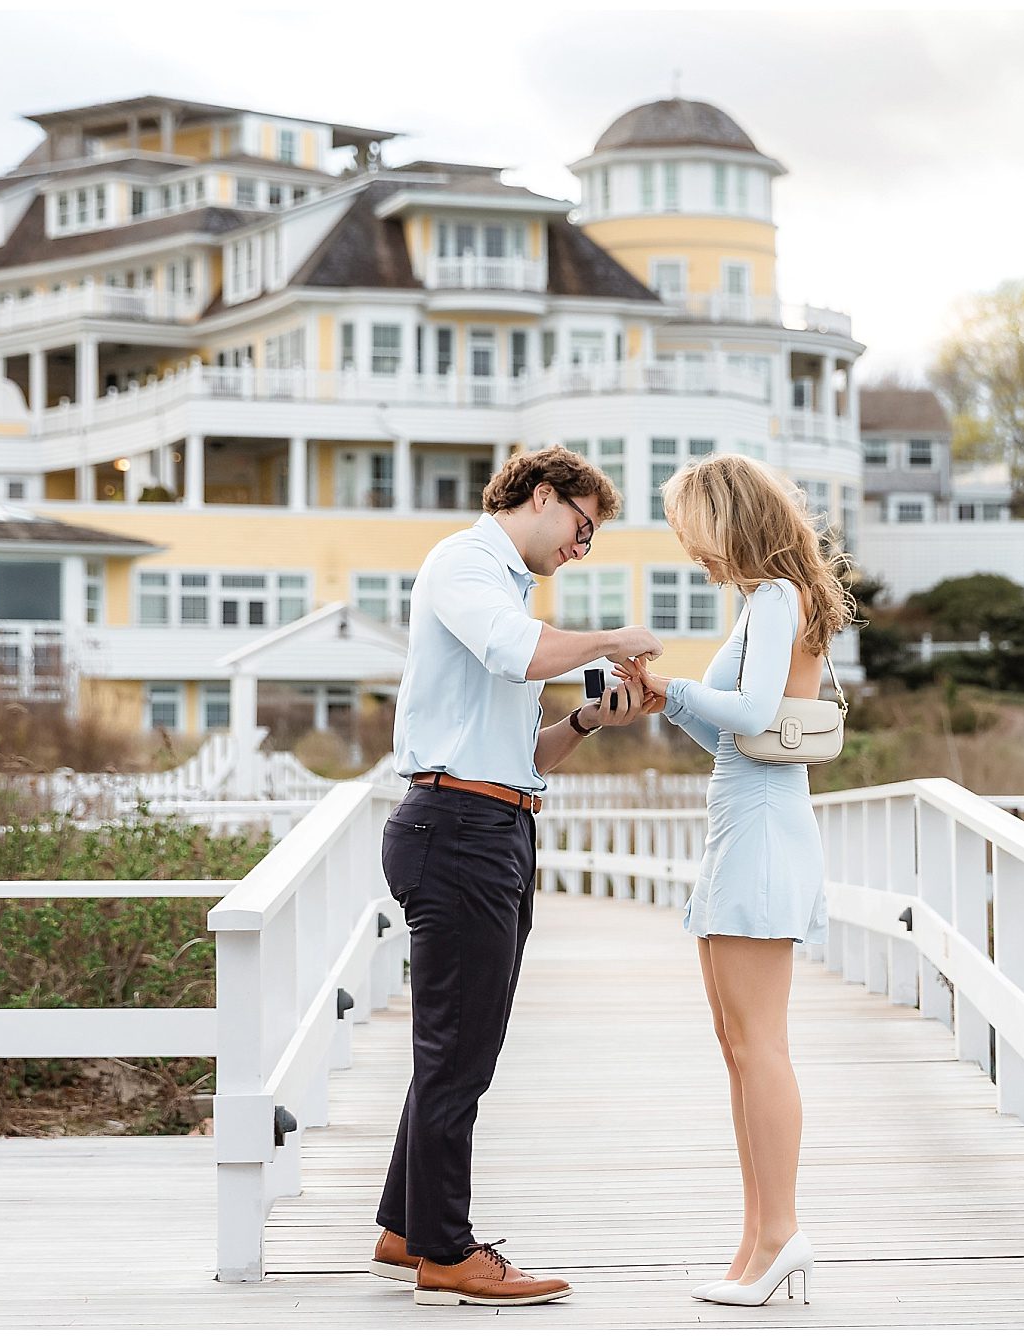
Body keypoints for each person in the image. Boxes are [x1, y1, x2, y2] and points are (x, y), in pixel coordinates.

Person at [369, 445, 663, 1307]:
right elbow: (514, 654)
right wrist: (612, 637)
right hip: (456, 831)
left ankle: (407, 1226)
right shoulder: (467, 564)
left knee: (458, 1049)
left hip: (485, 822)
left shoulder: (506, 593)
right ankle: (448, 1252)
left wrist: (582, 720)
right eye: (582, 527)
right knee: (458, 1053)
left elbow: (517, 756)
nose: (584, 547)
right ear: (542, 496)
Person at [616, 454, 856, 1308]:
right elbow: (739, 733)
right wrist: (667, 699)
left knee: (760, 1046)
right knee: (737, 1049)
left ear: (726, 520)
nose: (692, 553)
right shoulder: (765, 601)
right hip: (739, 827)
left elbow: (752, 716)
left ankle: (782, 1233)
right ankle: (757, 1239)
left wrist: (676, 684)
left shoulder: (774, 600)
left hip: (758, 834)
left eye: (692, 532)